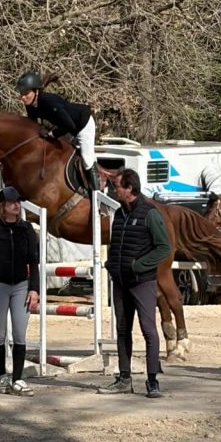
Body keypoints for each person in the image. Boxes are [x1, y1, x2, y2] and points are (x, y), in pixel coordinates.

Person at [98, 168, 172, 399]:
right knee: (122, 329)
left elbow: (164, 248)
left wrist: (138, 265)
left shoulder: (150, 214)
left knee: (148, 330)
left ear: (129, 188)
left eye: (117, 186)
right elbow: (116, 244)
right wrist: (112, 264)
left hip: (142, 282)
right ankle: (124, 378)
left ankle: (152, 381)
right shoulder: (119, 214)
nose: (113, 190)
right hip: (120, 281)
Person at [0, 185, 40, 395]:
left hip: (21, 285)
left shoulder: (27, 229)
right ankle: (3, 377)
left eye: (18, 201)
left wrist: (34, 289)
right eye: (12, 202)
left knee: (20, 334)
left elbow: (34, 261)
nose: (17, 205)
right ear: (2, 206)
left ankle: (18, 379)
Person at [16, 71, 99, 195]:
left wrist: (52, 134)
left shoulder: (49, 102)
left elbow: (69, 125)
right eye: (22, 94)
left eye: (26, 93)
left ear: (36, 91)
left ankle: (96, 196)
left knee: (87, 160)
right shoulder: (30, 106)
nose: (23, 97)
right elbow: (33, 126)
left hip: (82, 124)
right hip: (67, 128)